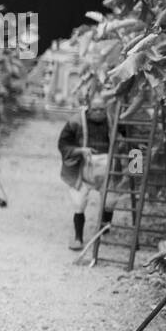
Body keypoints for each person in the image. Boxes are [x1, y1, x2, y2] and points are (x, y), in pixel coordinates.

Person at [58, 88, 115, 250]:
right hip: (82, 168)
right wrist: (80, 151)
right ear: (88, 108)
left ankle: (105, 229)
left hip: (108, 167)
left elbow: (134, 146)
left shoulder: (114, 121)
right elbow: (62, 144)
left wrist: (135, 171)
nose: (98, 113)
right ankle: (78, 237)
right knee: (79, 203)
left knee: (110, 200)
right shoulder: (75, 122)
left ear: (106, 109)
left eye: (102, 110)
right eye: (95, 109)